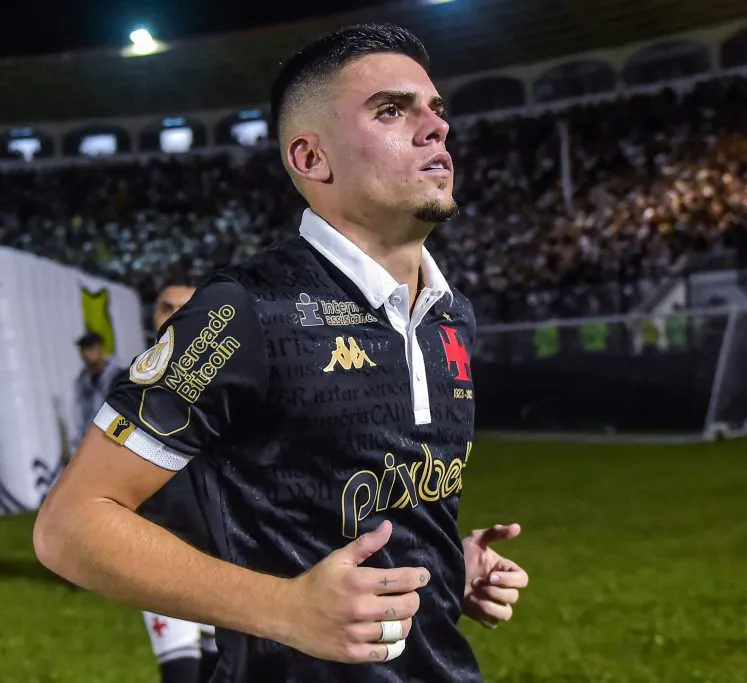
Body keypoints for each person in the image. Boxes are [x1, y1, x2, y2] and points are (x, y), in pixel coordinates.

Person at [34, 23, 529, 683]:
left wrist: (443, 568)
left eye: (436, 110)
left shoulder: (450, 314)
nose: (435, 127)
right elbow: (71, 525)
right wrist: (287, 606)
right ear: (311, 158)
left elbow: (367, 511)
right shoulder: (245, 309)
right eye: (391, 110)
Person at [134, 276, 220, 683]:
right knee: (181, 673)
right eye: (166, 307)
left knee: (220, 671)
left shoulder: (238, 388)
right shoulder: (131, 388)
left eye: (186, 307)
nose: (176, 317)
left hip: (226, 557)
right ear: (152, 317)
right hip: (162, 553)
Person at [70, 332, 121, 459]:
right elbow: (79, 415)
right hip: (91, 444)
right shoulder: (81, 380)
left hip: (115, 442)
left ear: (102, 349)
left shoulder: (117, 376)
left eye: (91, 348)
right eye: (83, 349)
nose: (87, 353)